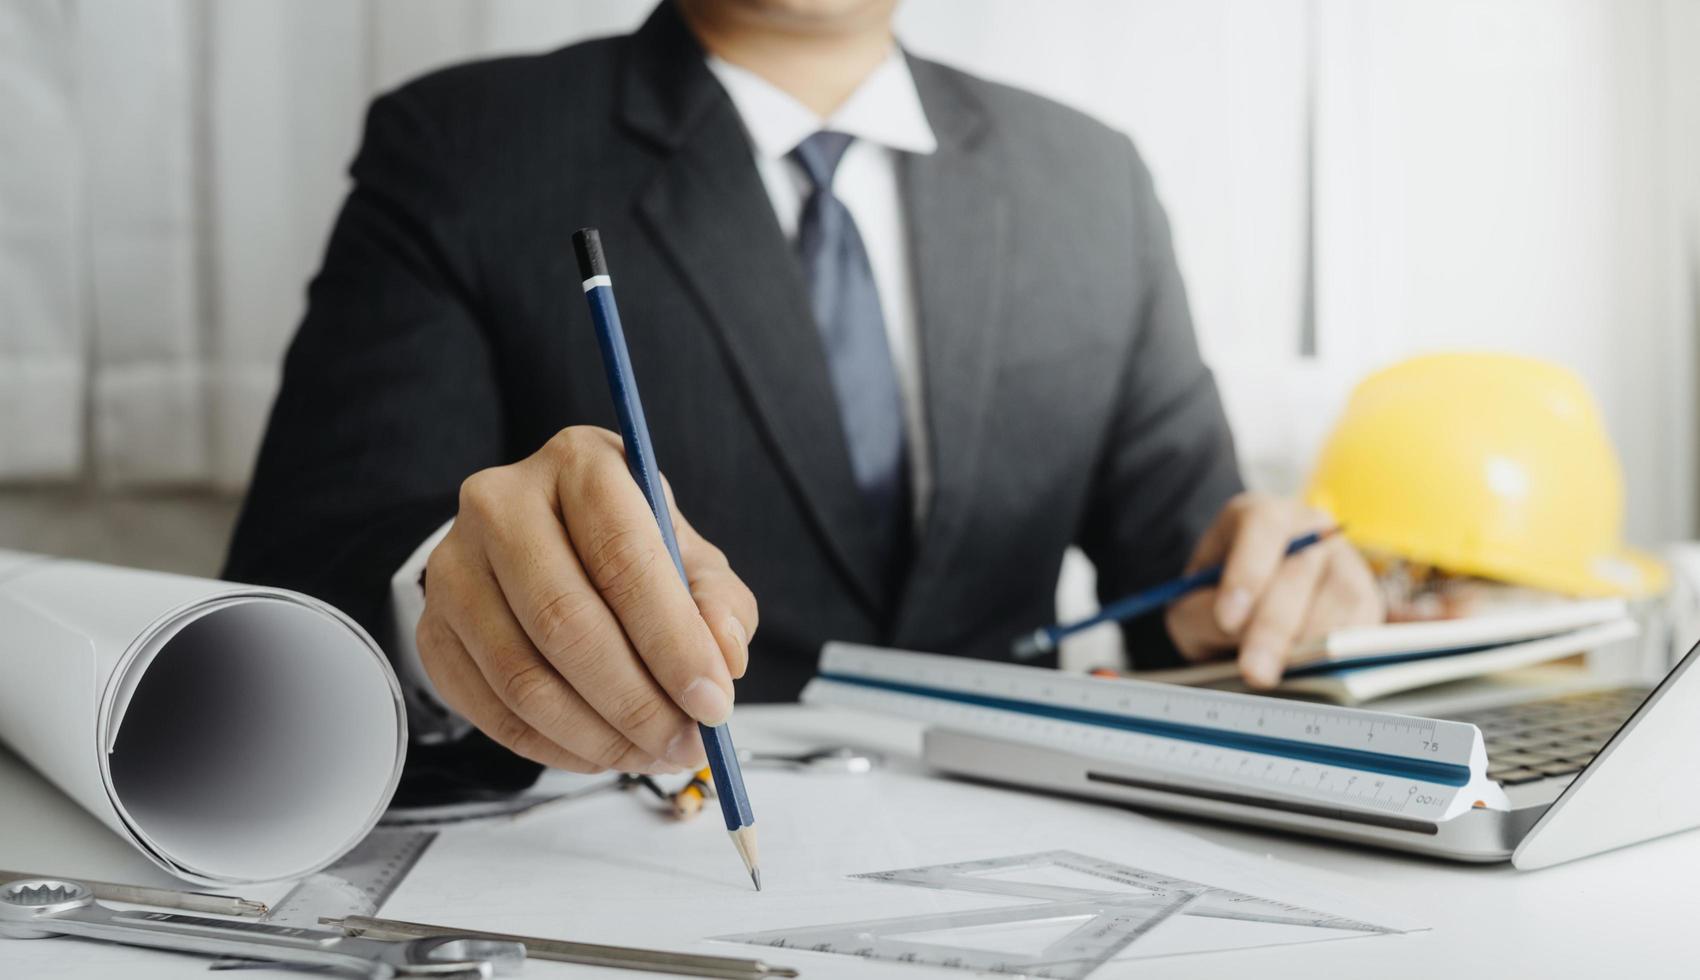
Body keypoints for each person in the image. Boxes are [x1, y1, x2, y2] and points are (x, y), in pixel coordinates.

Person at [224, 0, 1382, 797]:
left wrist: (1257, 585)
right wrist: (454, 604)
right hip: (630, 844)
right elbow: (302, 585)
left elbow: (1172, 565)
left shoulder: (1090, 177)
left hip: (1029, 852)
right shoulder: (462, 148)